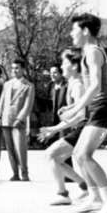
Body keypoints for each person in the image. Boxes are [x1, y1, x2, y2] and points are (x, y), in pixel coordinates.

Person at [59, 13, 107, 213]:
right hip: (98, 107)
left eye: (74, 29)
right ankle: (95, 198)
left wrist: (76, 108)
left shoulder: (93, 51)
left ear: (85, 31)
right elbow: (91, 89)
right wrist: (75, 108)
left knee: (84, 154)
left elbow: (95, 85)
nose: (71, 34)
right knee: (78, 153)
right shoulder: (88, 52)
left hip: (104, 107)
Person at [38, 48, 89, 205]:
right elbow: (76, 109)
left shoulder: (78, 85)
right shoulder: (74, 83)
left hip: (83, 129)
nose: (62, 66)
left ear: (74, 66)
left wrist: (53, 130)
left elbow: (80, 116)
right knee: (56, 158)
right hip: (79, 128)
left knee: (51, 155)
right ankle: (84, 186)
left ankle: (63, 193)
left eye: (64, 62)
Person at [0, 59, 35, 181]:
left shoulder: (29, 86)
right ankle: (15, 173)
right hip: (6, 120)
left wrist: (20, 118)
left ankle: (24, 173)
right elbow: (1, 101)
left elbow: (28, 105)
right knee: (10, 148)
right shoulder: (7, 84)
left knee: (20, 148)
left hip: (18, 121)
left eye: (17, 68)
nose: (14, 70)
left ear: (23, 69)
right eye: (12, 68)